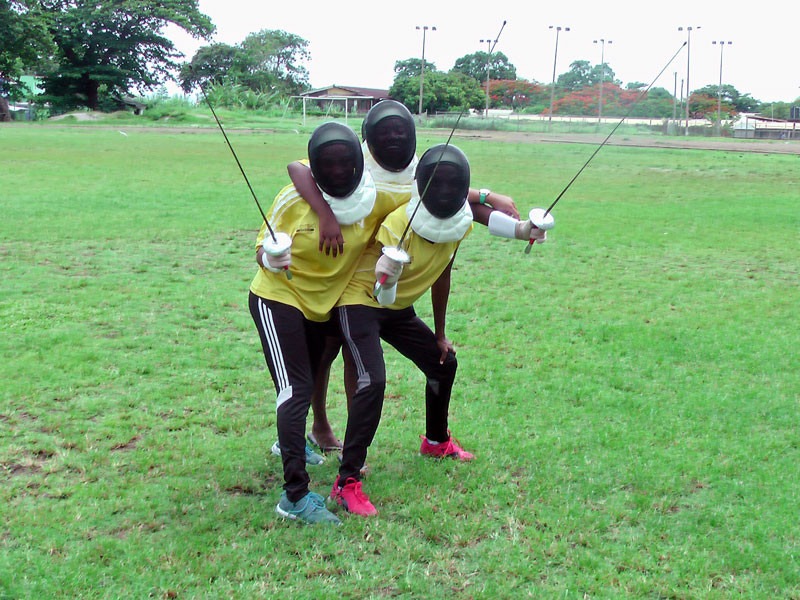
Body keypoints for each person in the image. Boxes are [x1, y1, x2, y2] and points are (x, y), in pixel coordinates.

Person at [285, 100, 538, 454]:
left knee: (374, 359)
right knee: (327, 352)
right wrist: (325, 215)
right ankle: (319, 426)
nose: (393, 138)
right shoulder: (354, 163)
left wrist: (500, 207)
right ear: (369, 138)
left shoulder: (420, 169)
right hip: (341, 273)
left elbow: (449, 195)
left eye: (400, 132)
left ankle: (430, 441)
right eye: (384, 132)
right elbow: (298, 168)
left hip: (388, 281)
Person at [329, 143, 540, 516]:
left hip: (397, 309)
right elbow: (382, 289)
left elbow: (443, 271)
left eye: (453, 186)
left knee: (443, 362)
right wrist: (388, 275)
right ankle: (347, 481)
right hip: (362, 301)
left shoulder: (457, 218)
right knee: (373, 381)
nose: (446, 192)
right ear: (423, 185)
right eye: (438, 185)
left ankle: (436, 441)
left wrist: (440, 333)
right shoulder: (400, 222)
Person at [248, 121, 382, 525]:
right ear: (317, 166)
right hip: (278, 297)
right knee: (296, 389)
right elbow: (260, 248)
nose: (339, 171)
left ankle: (287, 443)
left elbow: (426, 192)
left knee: (307, 379)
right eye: (330, 165)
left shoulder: (372, 195)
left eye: (347, 164)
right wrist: (270, 257)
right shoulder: (293, 198)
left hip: (323, 307)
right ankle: (294, 497)